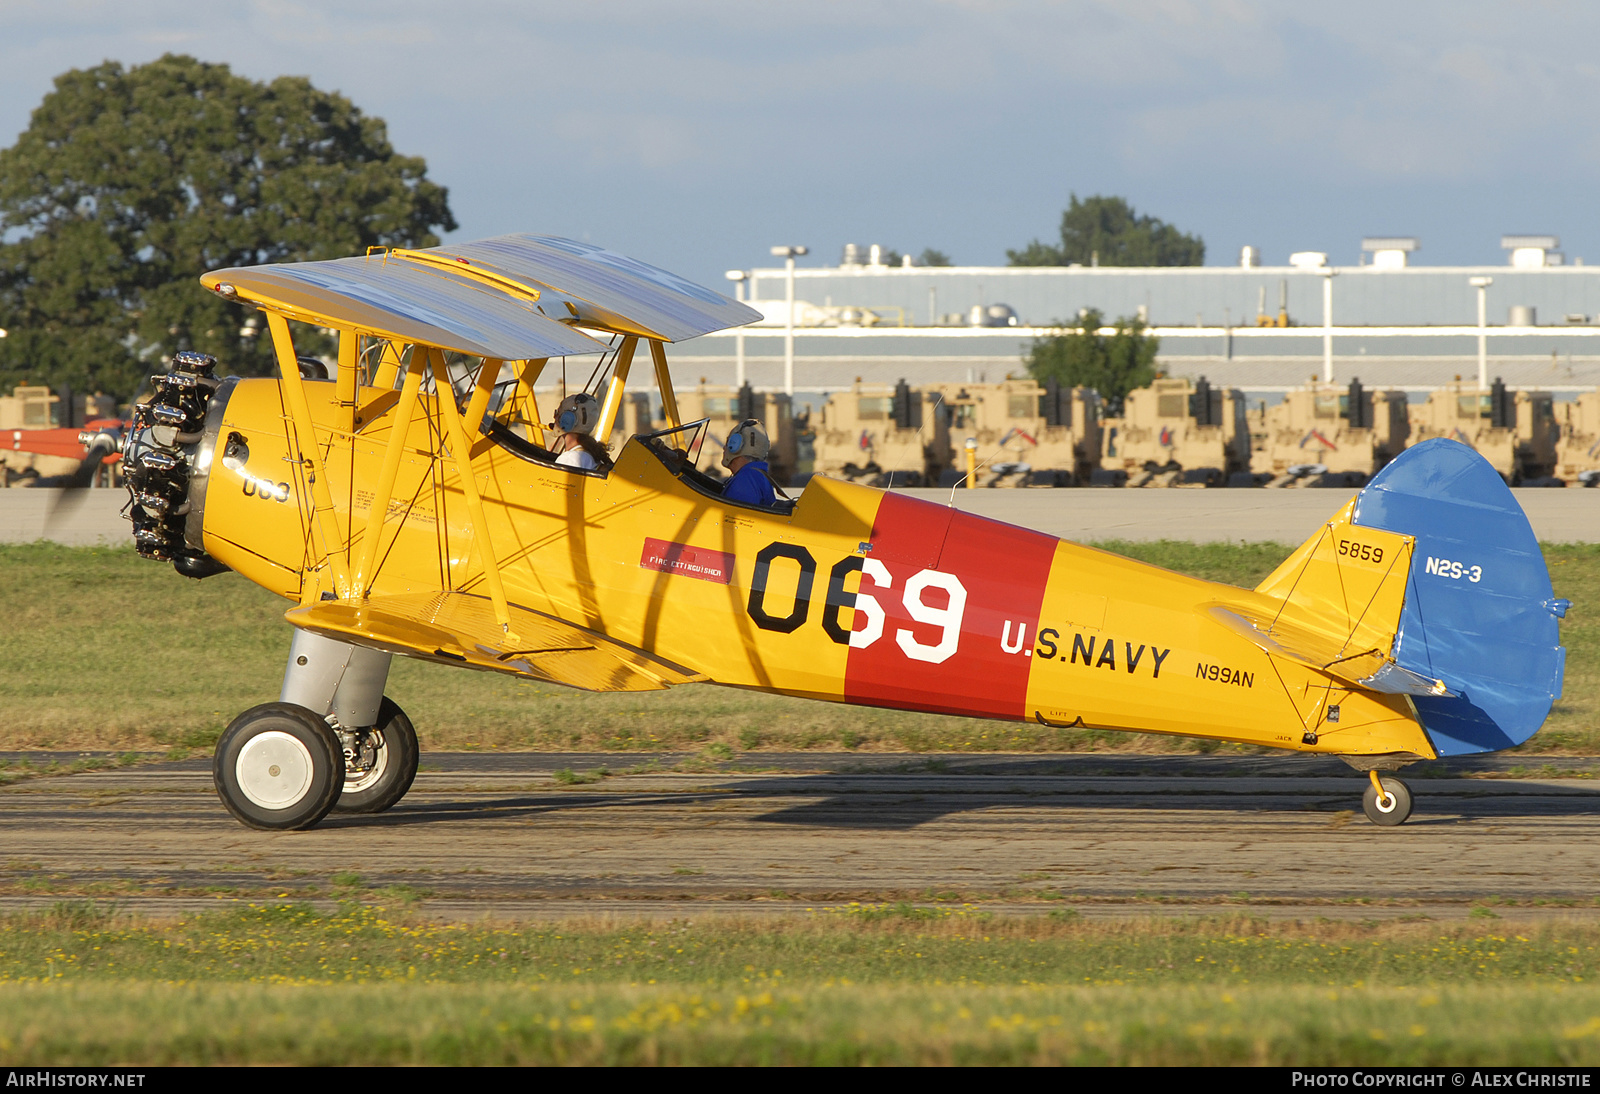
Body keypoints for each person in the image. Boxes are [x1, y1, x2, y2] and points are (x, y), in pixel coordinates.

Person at [722, 418, 777, 506]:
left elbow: (737, 518)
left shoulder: (745, 481)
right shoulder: (757, 475)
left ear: (736, 446)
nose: (724, 448)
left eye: (728, 442)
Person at [551, 393, 607, 471]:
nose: (555, 417)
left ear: (567, 420)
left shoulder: (569, 459)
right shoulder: (589, 455)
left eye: (558, 413)